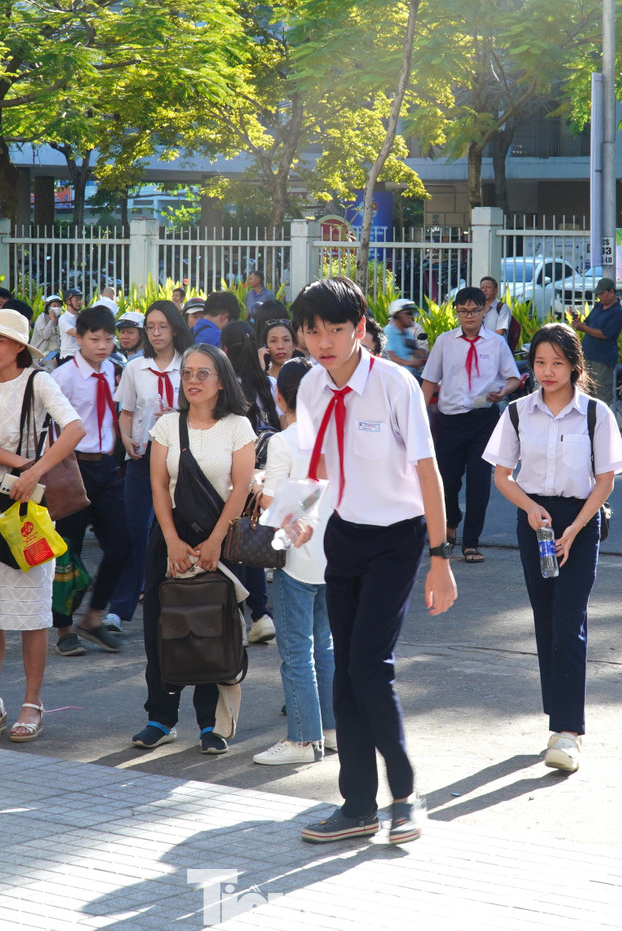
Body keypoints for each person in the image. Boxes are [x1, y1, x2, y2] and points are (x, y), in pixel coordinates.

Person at [292, 276, 457, 847]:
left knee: (369, 666)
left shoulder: (395, 385)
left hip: (399, 539)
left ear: (360, 328)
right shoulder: (311, 388)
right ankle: (357, 804)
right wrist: (303, 515)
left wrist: (440, 557)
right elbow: (316, 470)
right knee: (344, 674)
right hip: (343, 537)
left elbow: (426, 471)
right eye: (313, 330)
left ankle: (406, 797)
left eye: (336, 328)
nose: (324, 341)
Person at [484, 322, 622, 773]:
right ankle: (556, 720)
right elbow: (502, 476)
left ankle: (569, 732)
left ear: (574, 366)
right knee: (546, 623)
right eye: (540, 363)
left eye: (557, 363)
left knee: (569, 623)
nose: (547, 372)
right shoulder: (517, 412)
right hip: (535, 522)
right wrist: (529, 509)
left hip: (579, 523)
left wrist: (576, 528)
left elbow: (605, 479)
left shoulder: (595, 414)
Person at [0, 307, 85, 743]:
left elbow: (75, 428)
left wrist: (34, 473)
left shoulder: (39, 381)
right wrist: (25, 466)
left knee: (32, 608)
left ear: (19, 347)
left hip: (29, 505)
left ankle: (33, 702)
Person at [134, 344, 255, 755]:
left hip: (218, 539)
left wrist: (216, 540)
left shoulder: (239, 426)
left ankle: (212, 725)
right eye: (187, 373)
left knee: (213, 631)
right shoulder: (167, 425)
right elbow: (156, 486)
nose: (193, 381)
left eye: (204, 374)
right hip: (169, 540)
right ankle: (160, 719)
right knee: (161, 629)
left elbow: (241, 488)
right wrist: (171, 540)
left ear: (221, 381)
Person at [253, 359, 336, 765]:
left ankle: (303, 740)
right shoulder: (334, 436)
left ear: (279, 396)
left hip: (295, 557)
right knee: (325, 644)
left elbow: (271, 500)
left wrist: (256, 487)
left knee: (296, 652)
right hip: (332, 554)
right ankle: (332, 729)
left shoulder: (283, 442)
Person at [49, 306, 133, 657]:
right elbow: (50, 424)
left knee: (122, 543)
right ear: (79, 338)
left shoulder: (114, 371)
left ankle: (94, 617)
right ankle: (65, 627)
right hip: (73, 468)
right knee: (69, 551)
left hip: (107, 468)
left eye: (108, 338)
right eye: (94, 338)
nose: (102, 345)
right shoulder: (64, 376)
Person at [420, 285, 521, 563]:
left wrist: (502, 391)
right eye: (463, 310)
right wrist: (414, 420)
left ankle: (471, 542)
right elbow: (429, 381)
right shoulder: (444, 341)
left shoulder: (496, 343)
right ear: (456, 312)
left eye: (475, 310)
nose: (469, 316)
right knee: (448, 482)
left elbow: (512, 378)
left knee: (479, 482)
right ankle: (451, 521)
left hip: (483, 421)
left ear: (483, 311)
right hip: (449, 421)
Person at [113, 300, 193, 626]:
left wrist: (177, 415)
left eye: (162, 326)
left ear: (174, 328)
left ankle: (170, 602)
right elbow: (127, 413)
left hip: (179, 462)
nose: (156, 333)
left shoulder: (190, 364)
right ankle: (119, 608)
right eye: (150, 327)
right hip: (142, 460)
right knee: (132, 531)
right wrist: (126, 438)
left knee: (173, 531)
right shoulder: (135, 367)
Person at [219, 320, 279, 643]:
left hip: (234, 474)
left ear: (224, 351)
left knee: (233, 545)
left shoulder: (226, 388)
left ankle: (240, 620)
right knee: (251, 540)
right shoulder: (268, 384)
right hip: (265, 474)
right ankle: (261, 615)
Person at [568, 278, 622, 405]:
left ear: (611, 292)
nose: (599, 297)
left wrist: (584, 328)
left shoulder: (618, 312)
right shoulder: (598, 306)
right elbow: (588, 323)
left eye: (601, 294)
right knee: (586, 393)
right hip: (587, 355)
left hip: (602, 359)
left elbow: (605, 334)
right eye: (598, 294)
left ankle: (605, 423)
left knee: (602, 396)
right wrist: (579, 324)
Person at [383, 299, 428, 376]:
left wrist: (420, 353)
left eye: (412, 313)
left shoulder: (406, 332)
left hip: (410, 375)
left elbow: (415, 352)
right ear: (397, 315)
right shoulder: (388, 332)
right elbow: (390, 357)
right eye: (408, 313)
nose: (411, 317)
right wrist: (411, 363)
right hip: (396, 378)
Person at [479, 275, 511, 343]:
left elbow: (499, 333)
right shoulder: (477, 308)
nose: (484, 290)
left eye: (488, 287)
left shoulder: (502, 308)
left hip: (496, 347)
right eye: (482, 288)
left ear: (496, 291)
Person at [31, 294, 63, 360]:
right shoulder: (41, 318)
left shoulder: (60, 319)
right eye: (54, 306)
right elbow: (45, 336)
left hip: (59, 352)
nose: (57, 308)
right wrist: (51, 321)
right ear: (48, 307)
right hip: (44, 352)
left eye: (59, 306)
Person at [59, 288, 84, 361]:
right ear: (68, 302)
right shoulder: (63, 318)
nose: (79, 302)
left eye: (80, 300)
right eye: (76, 300)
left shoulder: (82, 316)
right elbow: (75, 333)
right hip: (69, 355)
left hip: (81, 354)